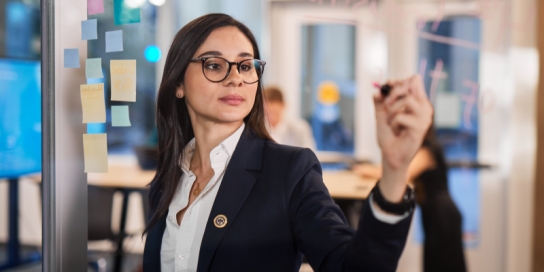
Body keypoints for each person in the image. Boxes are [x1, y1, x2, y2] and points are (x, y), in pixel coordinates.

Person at [142, 13, 433, 272]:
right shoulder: (167, 181)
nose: (235, 78)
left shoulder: (289, 171)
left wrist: (394, 171)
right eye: (215, 65)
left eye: (245, 66)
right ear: (178, 83)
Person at [352, 127, 467, 272]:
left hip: (442, 216)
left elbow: (403, 174)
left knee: (444, 265)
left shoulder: (428, 149)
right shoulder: (424, 147)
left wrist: (366, 171)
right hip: (435, 214)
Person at [263, 85, 316, 150]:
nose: (269, 114)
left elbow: (309, 155)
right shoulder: (257, 130)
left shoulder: (299, 128)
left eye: (274, 111)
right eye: (266, 111)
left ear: (283, 105)